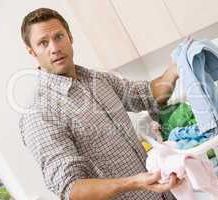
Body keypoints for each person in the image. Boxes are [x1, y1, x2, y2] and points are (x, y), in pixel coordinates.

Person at [19, 7, 181, 200]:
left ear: (70, 37)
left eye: (59, 37)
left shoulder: (97, 78)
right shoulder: (39, 113)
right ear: (32, 52)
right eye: (43, 43)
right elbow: (70, 189)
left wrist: (176, 68)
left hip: (166, 194)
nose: (54, 48)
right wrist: (134, 183)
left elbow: (145, 95)